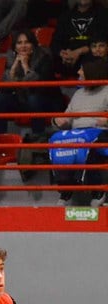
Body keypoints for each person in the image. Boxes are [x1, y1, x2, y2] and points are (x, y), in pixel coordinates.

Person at [50, 57, 108, 206]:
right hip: (77, 133)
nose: (78, 72)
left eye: (81, 69)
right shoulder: (78, 94)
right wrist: (58, 121)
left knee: (91, 147)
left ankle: (97, 190)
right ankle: (66, 190)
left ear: (92, 72)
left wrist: (106, 121)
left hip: (100, 132)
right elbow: (67, 117)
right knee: (56, 140)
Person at [0, 29, 60, 136]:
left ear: (33, 45)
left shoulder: (44, 58)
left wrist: (26, 66)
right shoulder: (12, 59)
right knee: (1, 98)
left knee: (33, 99)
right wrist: (13, 69)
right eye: (19, 43)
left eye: (27, 42)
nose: (23, 46)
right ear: (15, 47)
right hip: (23, 99)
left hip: (45, 101)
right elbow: (4, 89)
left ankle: (38, 137)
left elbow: (40, 88)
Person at [50, 0, 108, 79]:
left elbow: (103, 39)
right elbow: (55, 42)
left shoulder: (103, 14)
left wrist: (79, 52)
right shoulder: (66, 15)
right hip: (67, 58)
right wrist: (63, 54)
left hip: (90, 56)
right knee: (47, 59)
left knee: (96, 56)